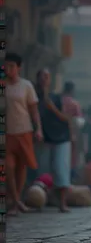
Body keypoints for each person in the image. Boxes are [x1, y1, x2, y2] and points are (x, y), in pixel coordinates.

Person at [5, 53, 43, 214]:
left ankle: (16, 202)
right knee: (8, 167)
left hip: (24, 130)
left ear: (19, 68)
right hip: (6, 133)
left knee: (21, 167)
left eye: (12, 66)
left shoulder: (26, 86)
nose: (8, 69)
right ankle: (15, 199)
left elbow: (34, 110)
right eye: (6, 66)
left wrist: (38, 129)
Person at [36, 69, 73, 213]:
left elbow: (66, 118)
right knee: (42, 169)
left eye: (47, 76)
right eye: (42, 76)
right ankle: (40, 199)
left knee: (61, 169)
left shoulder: (57, 98)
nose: (45, 79)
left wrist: (52, 108)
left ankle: (62, 203)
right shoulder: (34, 96)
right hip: (44, 137)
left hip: (60, 137)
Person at [61, 81, 83, 182]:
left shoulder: (58, 102)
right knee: (72, 159)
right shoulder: (74, 104)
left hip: (57, 136)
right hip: (72, 135)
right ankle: (69, 180)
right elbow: (79, 122)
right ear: (72, 90)